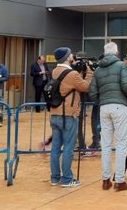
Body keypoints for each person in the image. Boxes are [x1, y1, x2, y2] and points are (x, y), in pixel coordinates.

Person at [88, 42, 127, 191]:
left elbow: (92, 91)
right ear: (115, 52)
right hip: (119, 106)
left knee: (106, 145)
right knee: (121, 144)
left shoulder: (98, 70)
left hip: (104, 107)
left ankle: (105, 180)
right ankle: (119, 180)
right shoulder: (121, 66)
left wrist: (100, 102)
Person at [49, 47, 93, 188]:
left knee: (55, 148)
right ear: (67, 57)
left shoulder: (55, 71)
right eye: (70, 54)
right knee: (68, 147)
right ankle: (67, 179)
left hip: (55, 114)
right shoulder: (72, 74)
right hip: (68, 115)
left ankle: (55, 178)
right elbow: (85, 87)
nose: (72, 56)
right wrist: (89, 73)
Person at [76, 51, 101, 154]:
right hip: (81, 97)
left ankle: (95, 141)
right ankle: (81, 143)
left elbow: (86, 85)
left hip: (93, 95)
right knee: (79, 120)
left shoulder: (93, 68)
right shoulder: (77, 69)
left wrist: (89, 70)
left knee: (94, 119)